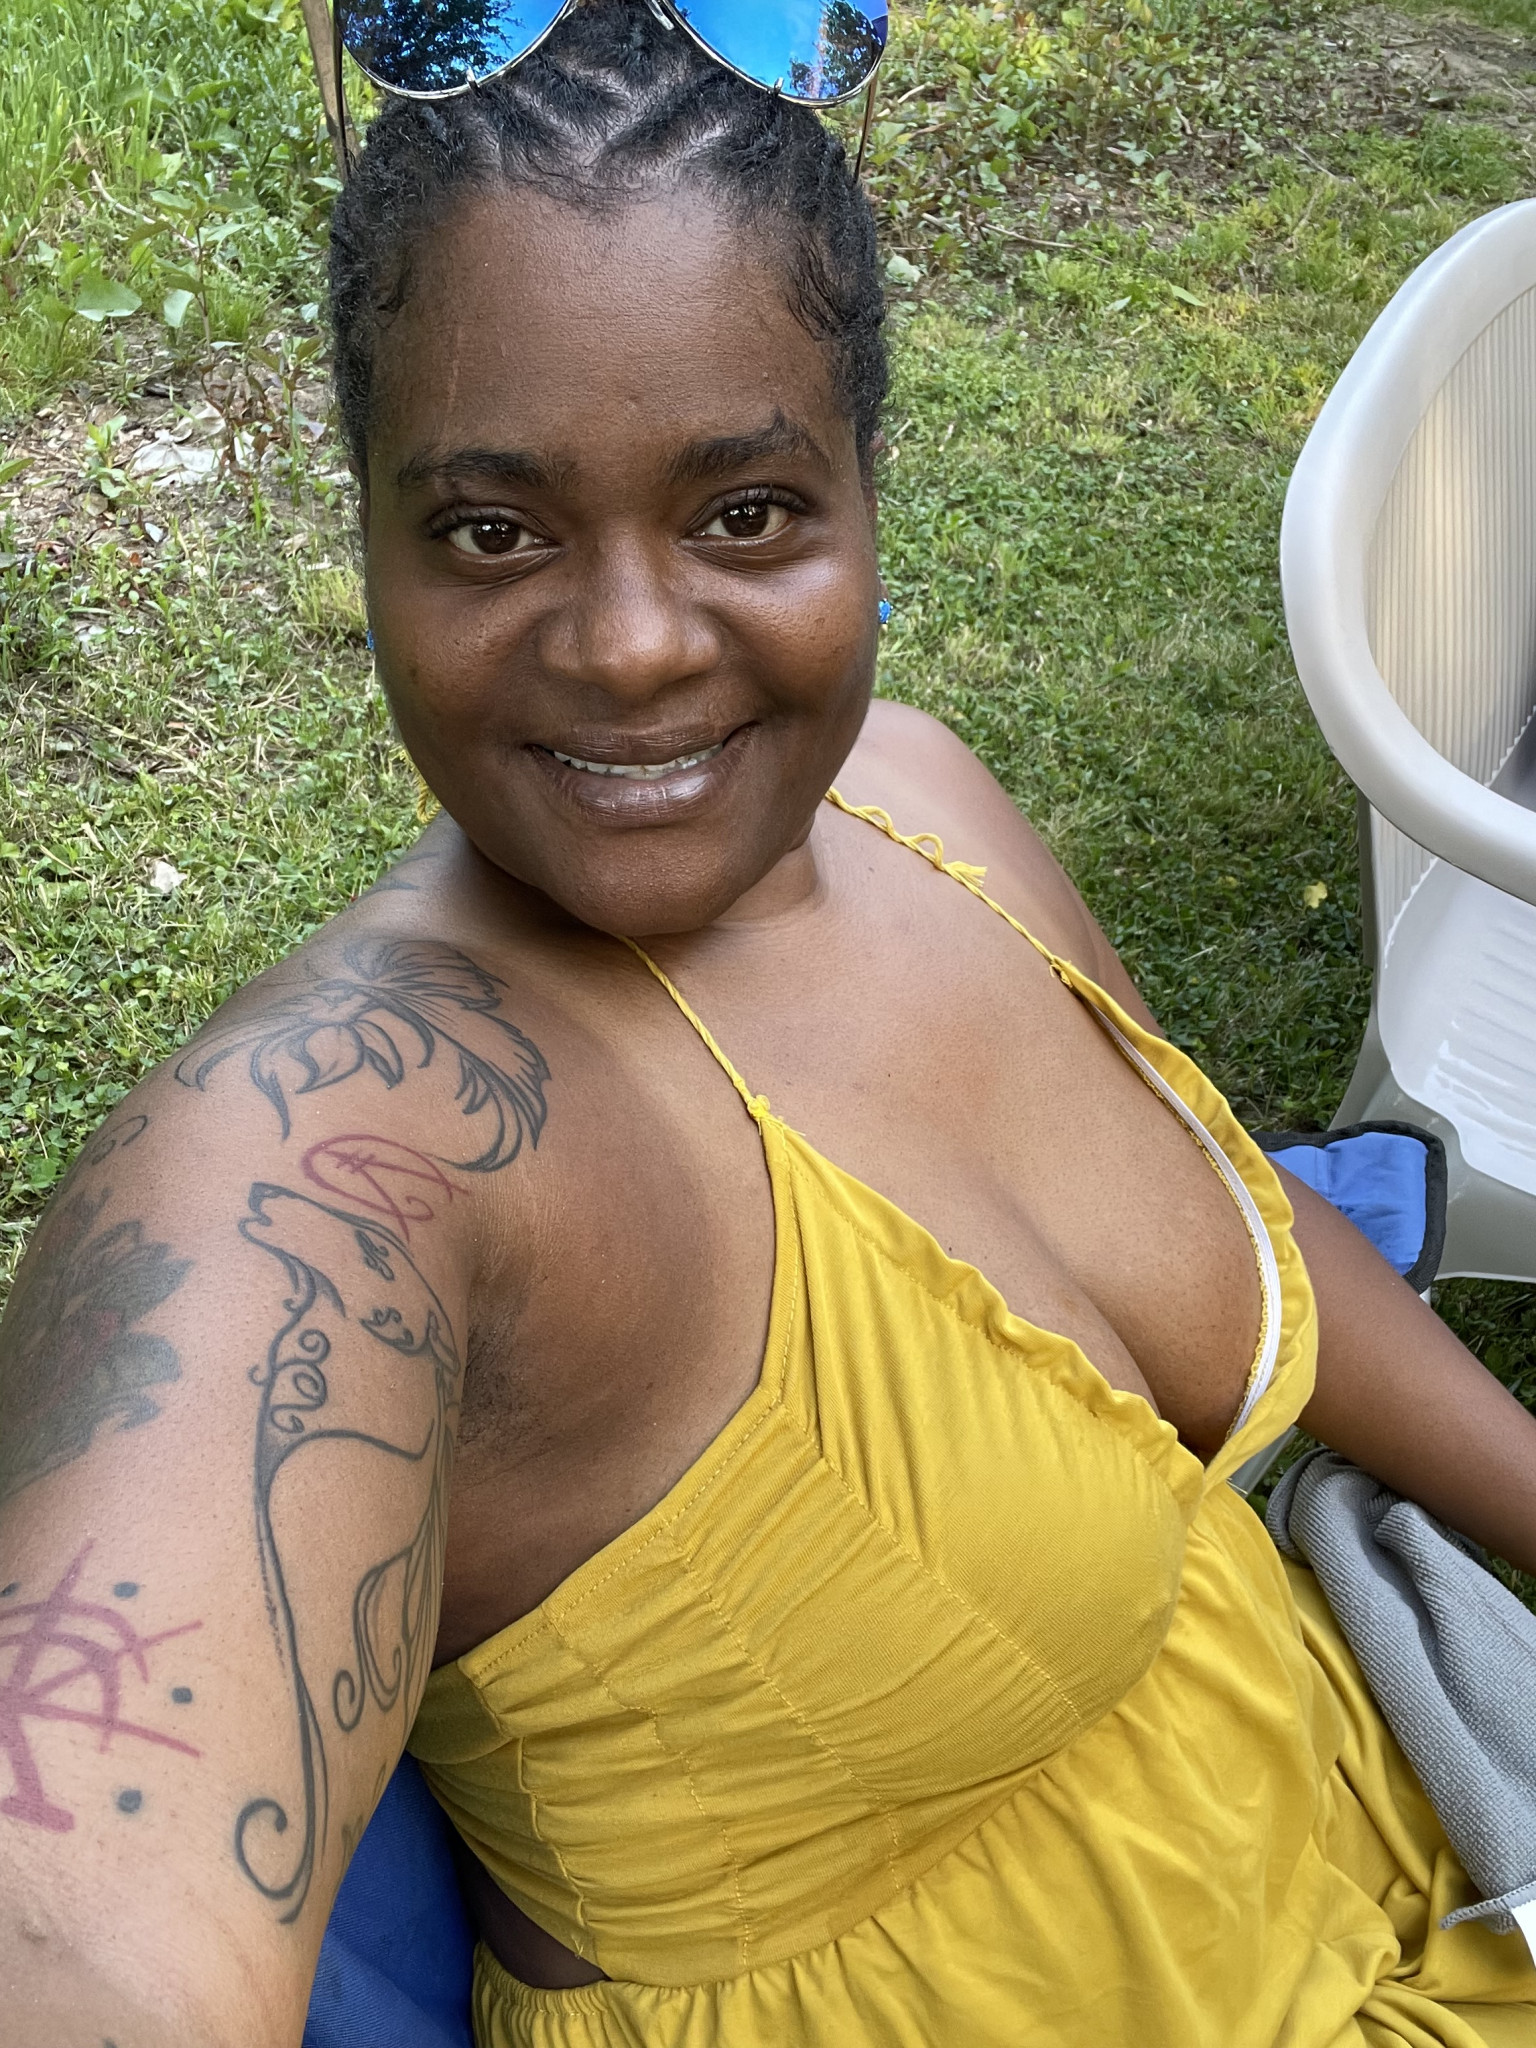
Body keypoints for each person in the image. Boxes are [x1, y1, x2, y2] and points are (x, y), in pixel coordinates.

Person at [2, 5, 1535, 2043]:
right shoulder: (338, 1151)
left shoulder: (922, 800)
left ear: (863, 492)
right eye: (492, 529)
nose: (636, 645)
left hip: (1395, 1879)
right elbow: (81, 1911)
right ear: (365, 532)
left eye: (744, 513)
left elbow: (1239, 1213)